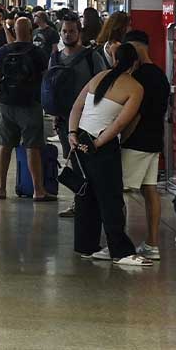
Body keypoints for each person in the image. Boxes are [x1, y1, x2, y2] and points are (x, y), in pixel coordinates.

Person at [67, 43, 152, 267]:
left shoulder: (99, 77)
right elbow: (120, 124)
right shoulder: (135, 88)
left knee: (86, 195)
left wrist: (72, 134)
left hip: (80, 140)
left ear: (114, 59)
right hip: (100, 145)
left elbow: (76, 107)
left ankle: (86, 246)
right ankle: (120, 251)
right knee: (110, 198)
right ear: (135, 63)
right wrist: (97, 144)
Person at [114, 30, 170, 260]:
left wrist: (121, 138)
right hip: (155, 141)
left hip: (136, 141)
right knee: (150, 190)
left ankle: (119, 244)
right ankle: (152, 244)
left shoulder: (138, 78)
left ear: (137, 48)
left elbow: (134, 115)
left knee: (117, 191)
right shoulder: (160, 75)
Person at [49, 15, 109, 218]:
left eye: (72, 31)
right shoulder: (55, 58)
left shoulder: (92, 57)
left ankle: (93, 202)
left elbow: (103, 85)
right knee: (73, 161)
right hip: (65, 120)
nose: (68, 35)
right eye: (64, 31)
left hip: (89, 120)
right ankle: (80, 201)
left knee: (90, 162)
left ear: (79, 32)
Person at [0, 17, 53, 201]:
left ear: (14, 31)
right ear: (30, 31)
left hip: (7, 104)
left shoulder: (3, 51)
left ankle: (1, 189)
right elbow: (45, 77)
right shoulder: (37, 52)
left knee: (5, 146)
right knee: (32, 147)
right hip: (30, 104)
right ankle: (38, 190)